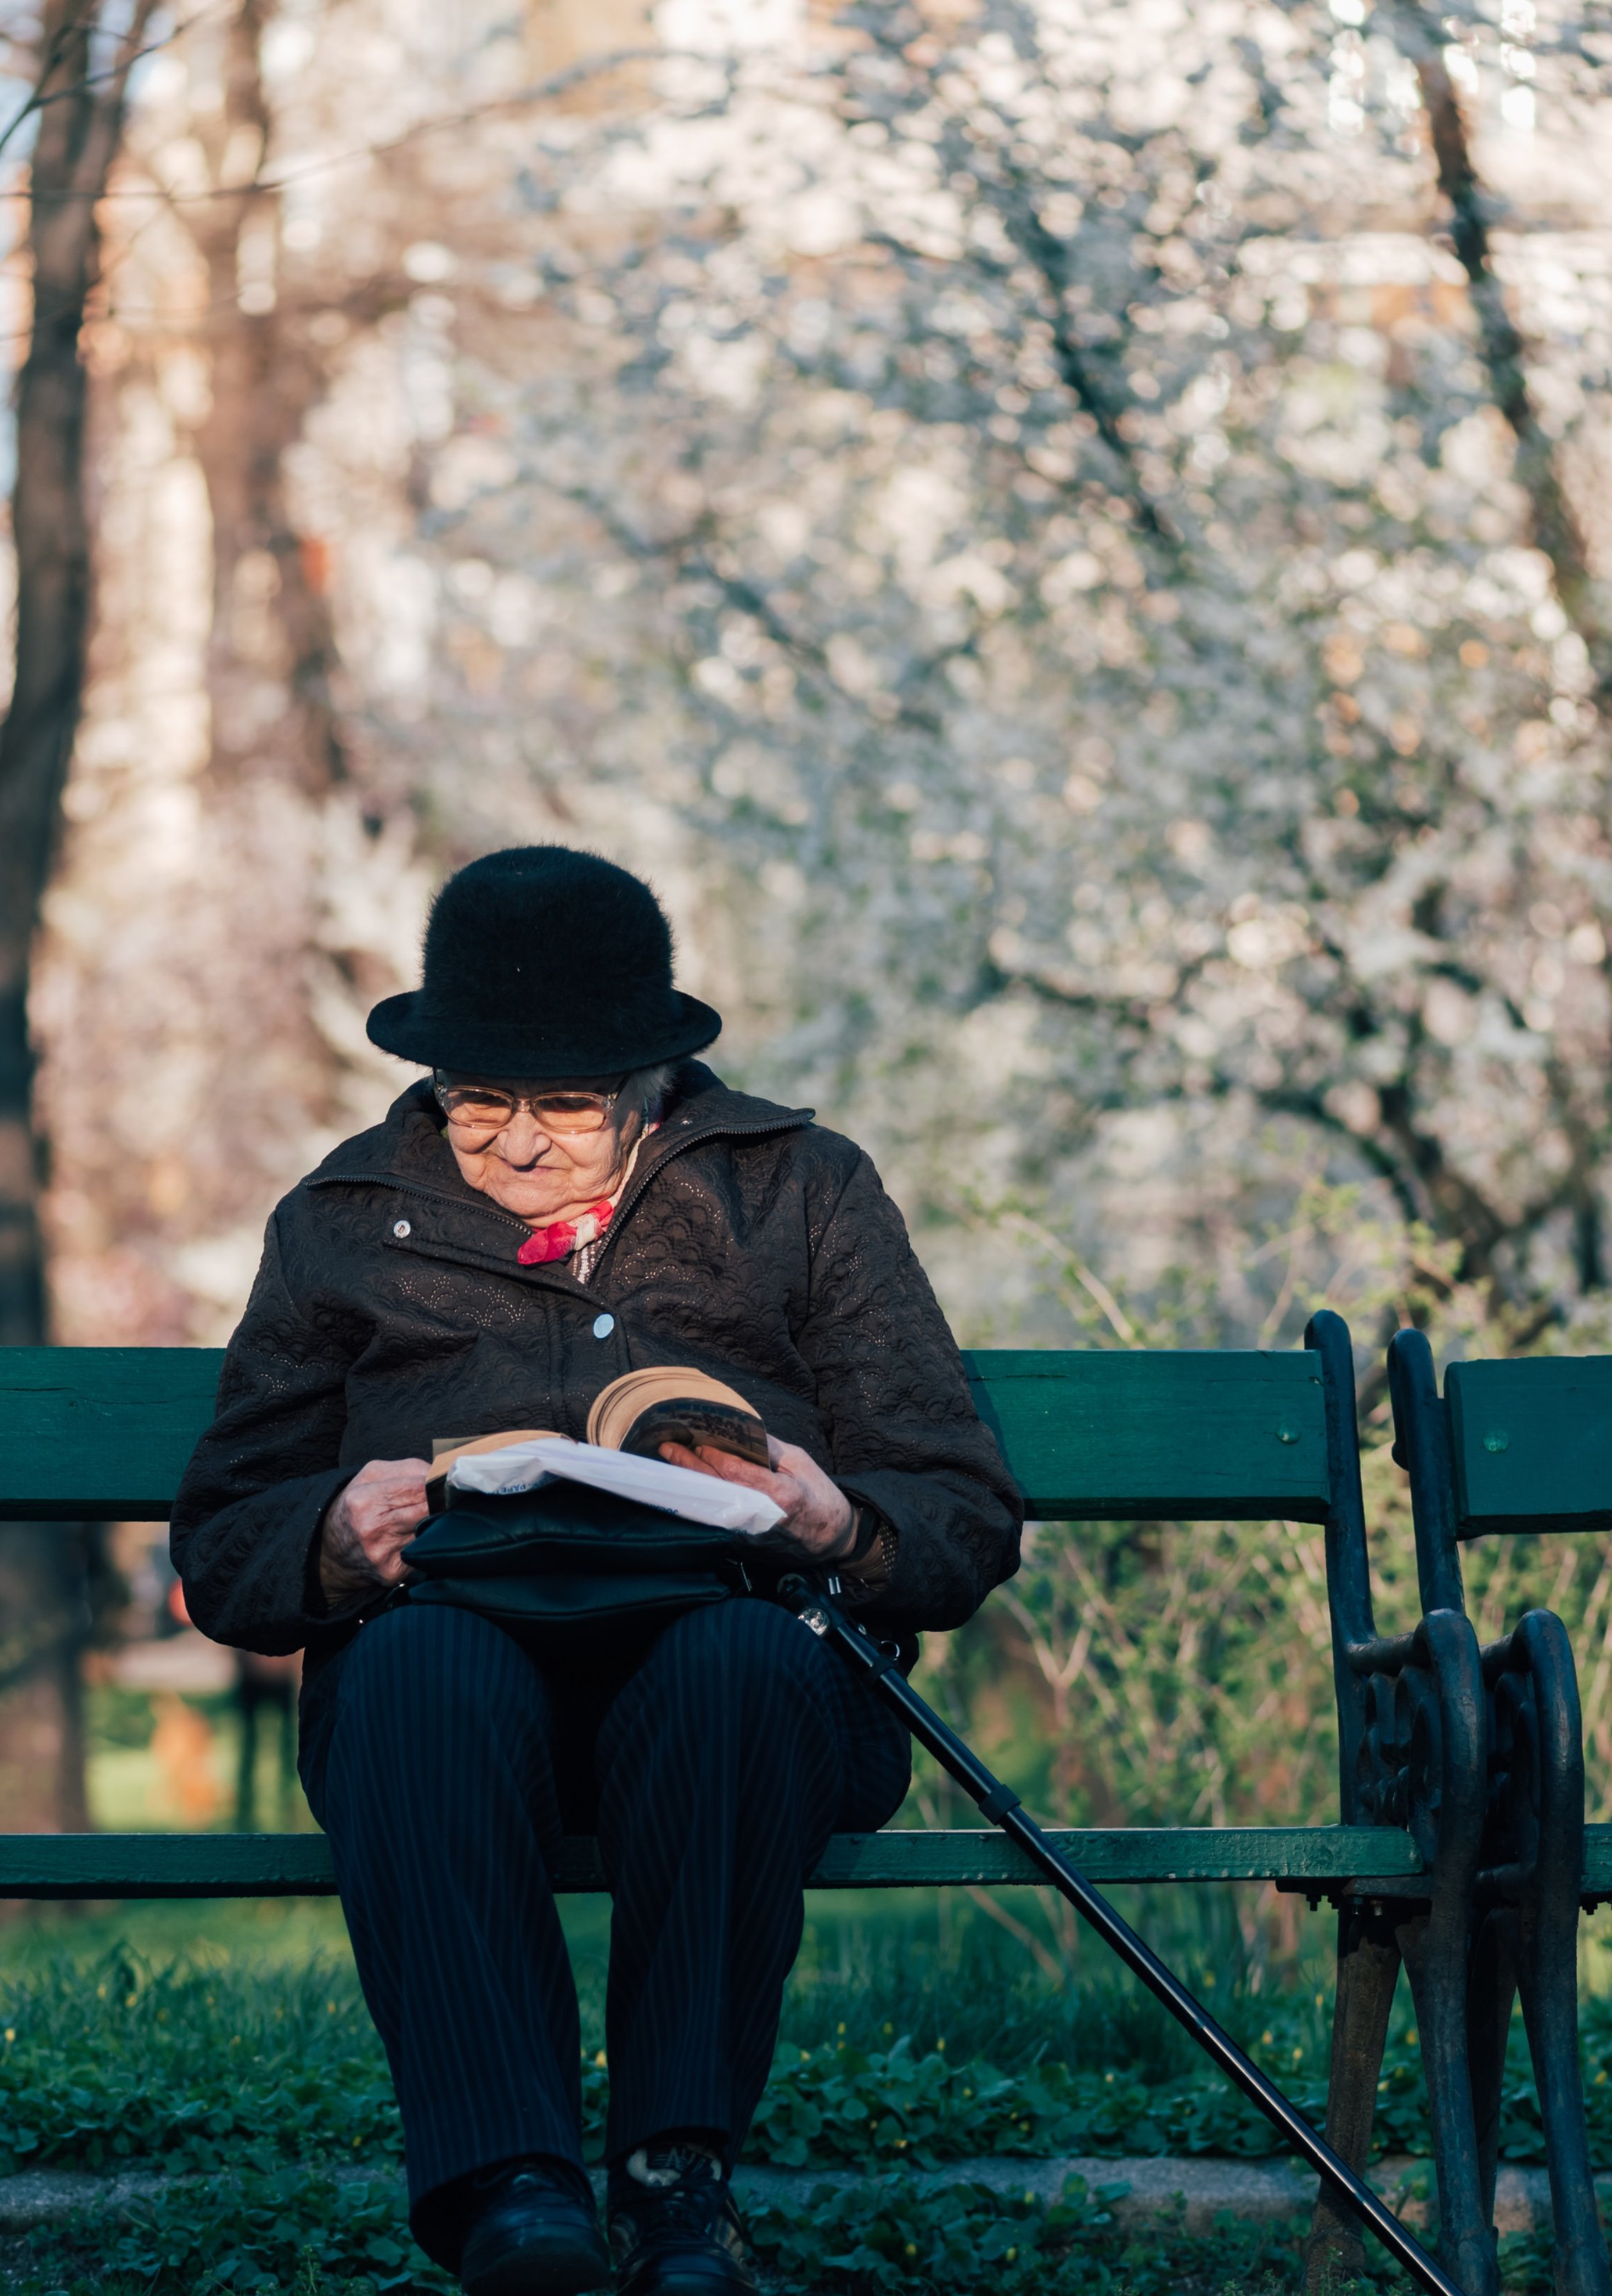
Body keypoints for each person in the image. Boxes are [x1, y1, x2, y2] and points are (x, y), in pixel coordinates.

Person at [172, 847, 1022, 2296]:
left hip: (732, 1675)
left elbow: (957, 1506)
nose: (511, 1143)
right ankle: (513, 2194)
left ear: (647, 1083)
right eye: (476, 1099)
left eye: (562, 1105)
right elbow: (225, 1542)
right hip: (457, 1676)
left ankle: (675, 2187)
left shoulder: (799, 1191)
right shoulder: (341, 1218)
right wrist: (330, 1535)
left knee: (736, 1669)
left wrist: (835, 1525)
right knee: (419, 1676)